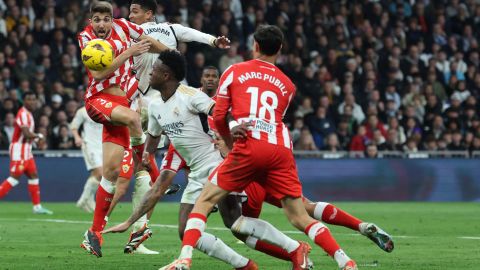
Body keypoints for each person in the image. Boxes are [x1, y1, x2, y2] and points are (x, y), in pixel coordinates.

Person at [160, 25, 358, 270]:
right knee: (299, 215)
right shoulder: (288, 85)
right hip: (280, 149)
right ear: (281, 49)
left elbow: (220, 116)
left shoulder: (234, 71)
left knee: (204, 201)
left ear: (255, 46)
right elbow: (276, 118)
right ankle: (344, 260)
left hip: (248, 146)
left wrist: (231, 146)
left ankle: (184, 260)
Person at [105, 51, 260, 270]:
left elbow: (220, 112)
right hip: (195, 169)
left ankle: (292, 248)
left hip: (217, 163)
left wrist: (232, 129)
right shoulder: (157, 106)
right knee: (186, 228)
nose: (150, 72)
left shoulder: (191, 96)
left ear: (166, 75)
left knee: (235, 223)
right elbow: (154, 135)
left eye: (155, 69)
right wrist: (148, 154)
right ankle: (244, 265)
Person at [101, 0, 232, 255]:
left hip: (154, 101)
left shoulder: (157, 29)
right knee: (144, 163)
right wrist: (214, 41)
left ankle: (141, 217)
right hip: (150, 101)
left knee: (143, 164)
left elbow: (191, 34)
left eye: (135, 11)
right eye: (129, 11)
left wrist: (214, 41)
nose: (130, 15)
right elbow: (192, 34)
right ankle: (142, 217)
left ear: (149, 14)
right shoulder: (142, 29)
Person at [77, 1, 169, 258]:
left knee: (111, 173)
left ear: (112, 19)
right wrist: (129, 52)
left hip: (119, 104)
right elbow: (97, 74)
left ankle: (93, 233)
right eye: (97, 19)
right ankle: (149, 164)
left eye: (106, 19)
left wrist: (170, 54)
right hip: (99, 100)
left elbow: (149, 40)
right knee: (135, 118)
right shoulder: (86, 37)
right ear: (91, 21)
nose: (102, 25)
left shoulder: (124, 27)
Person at [0, 91, 53, 214]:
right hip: (19, 149)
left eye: (34, 99)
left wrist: (36, 141)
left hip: (27, 150)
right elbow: (26, 134)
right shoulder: (23, 113)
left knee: (33, 176)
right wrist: (39, 136)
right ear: (24, 101)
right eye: (29, 99)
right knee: (14, 178)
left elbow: (28, 136)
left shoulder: (29, 114)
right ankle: (37, 207)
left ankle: (37, 207)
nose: (32, 101)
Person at [70, 106, 103, 213]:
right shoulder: (83, 111)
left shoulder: (107, 109)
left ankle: (88, 199)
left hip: (104, 146)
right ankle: (84, 200)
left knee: (96, 175)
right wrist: (77, 137)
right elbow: (74, 126)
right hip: (89, 145)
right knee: (100, 173)